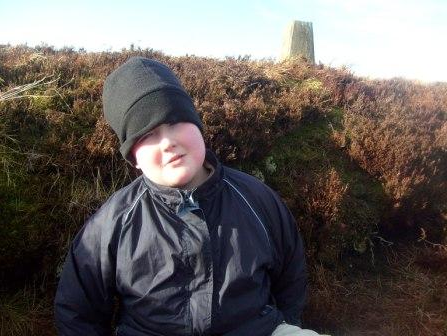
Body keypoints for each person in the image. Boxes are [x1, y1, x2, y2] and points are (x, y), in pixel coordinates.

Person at [54, 57, 327, 336]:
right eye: (147, 134)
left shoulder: (256, 198)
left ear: (198, 125)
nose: (168, 142)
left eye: (175, 121)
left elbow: (291, 278)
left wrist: (283, 323)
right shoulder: (112, 223)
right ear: (133, 157)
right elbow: (77, 312)